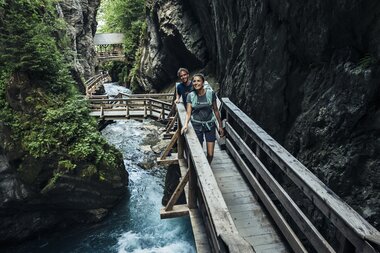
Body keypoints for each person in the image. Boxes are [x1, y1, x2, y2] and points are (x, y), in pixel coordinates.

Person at [181, 73, 224, 164]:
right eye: (194, 81)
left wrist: (220, 126)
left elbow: (216, 110)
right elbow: (188, 113)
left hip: (210, 125)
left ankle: (207, 166)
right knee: (199, 152)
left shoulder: (210, 93)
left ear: (203, 82)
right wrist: (185, 125)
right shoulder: (190, 96)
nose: (196, 83)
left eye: (198, 81)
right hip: (197, 125)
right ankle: (201, 170)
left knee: (210, 154)